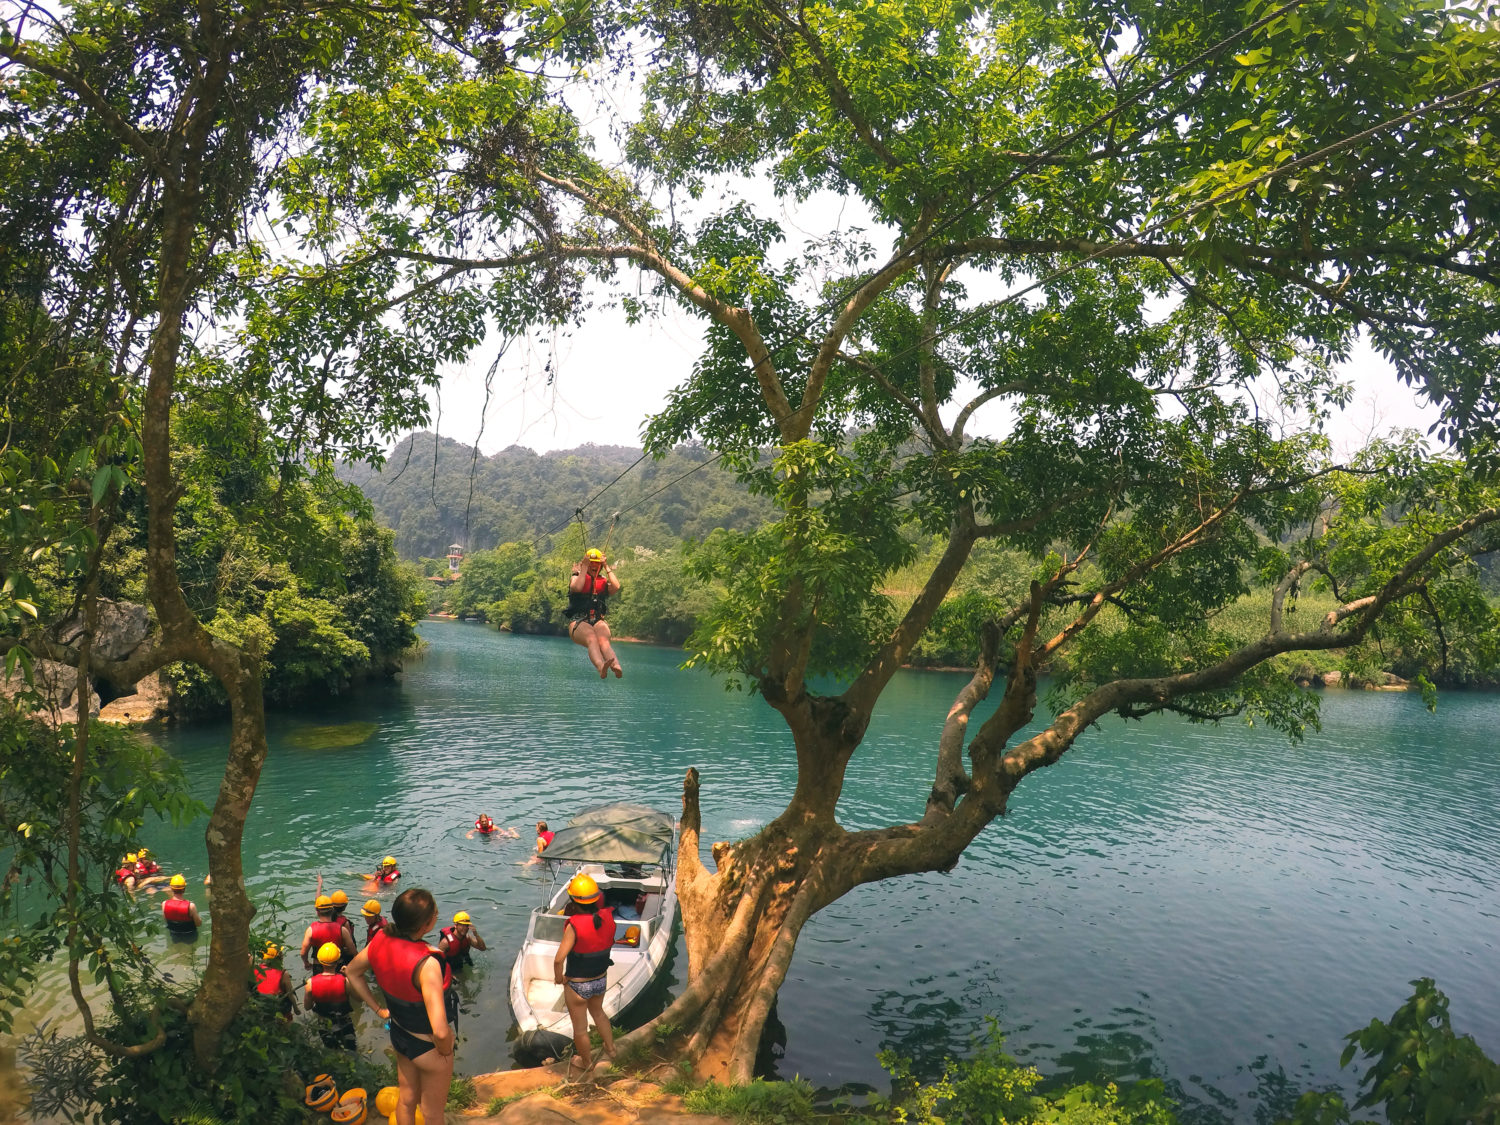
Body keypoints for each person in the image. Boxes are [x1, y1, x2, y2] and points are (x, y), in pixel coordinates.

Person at [345, 888, 456, 1125]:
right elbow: (440, 1031)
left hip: (399, 1033)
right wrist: (446, 1049)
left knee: (406, 1101)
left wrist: (378, 1009)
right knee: (432, 1113)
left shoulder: (380, 940)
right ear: (427, 924)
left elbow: (352, 973)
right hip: (428, 1047)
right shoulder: (427, 964)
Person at [553, 873, 617, 1078]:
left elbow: (558, 959)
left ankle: (586, 1063)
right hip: (600, 979)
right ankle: (612, 1049)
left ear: (573, 901)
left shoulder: (574, 925)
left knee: (580, 1029)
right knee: (599, 1014)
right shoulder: (607, 917)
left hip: (578, 986)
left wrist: (559, 978)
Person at [566, 548, 622, 678]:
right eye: (591, 563)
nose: (594, 566)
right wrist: (584, 567)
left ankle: (616, 666)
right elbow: (577, 588)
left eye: (597, 563)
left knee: (604, 641)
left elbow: (616, 586)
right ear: (586, 563)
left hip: (598, 620)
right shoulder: (576, 578)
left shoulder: (602, 581)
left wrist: (607, 566)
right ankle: (601, 667)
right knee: (592, 638)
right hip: (578, 622)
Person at [304, 941, 357, 1050]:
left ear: (319, 961)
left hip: (324, 1024)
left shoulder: (310, 983)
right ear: (338, 961)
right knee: (351, 1051)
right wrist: (350, 975)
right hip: (344, 1022)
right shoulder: (345, 981)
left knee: (332, 1052)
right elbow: (359, 999)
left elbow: (307, 1007)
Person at [301, 894, 355, 970]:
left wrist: (306, 962)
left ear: (317, 911)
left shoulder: (311, 930)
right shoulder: (342, 930)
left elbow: (303, 953)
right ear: (332, 910)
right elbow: (352, 951)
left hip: (318, 966)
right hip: (338, 965)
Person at [254, 943, 297, 1019]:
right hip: (278, 1009)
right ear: (279, 957)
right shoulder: (283, 974)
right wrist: (296, 1008)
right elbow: (290, 994)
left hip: (260, 1006)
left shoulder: (256, 969)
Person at [161, 874, 201, 942]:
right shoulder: (191, 906)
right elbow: (198, 924)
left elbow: (166, 920)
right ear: (184, 889)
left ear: (171, 888)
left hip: (174, 933)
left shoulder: (164, 904)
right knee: (190, 951)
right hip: (190, 934)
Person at [330, 889, 357, 963]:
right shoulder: (345, 923)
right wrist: (356, 956)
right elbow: (349, 944)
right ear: (345, 907)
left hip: (330, 953)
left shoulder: (327, 918)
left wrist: (320, 884)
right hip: (343, 957)